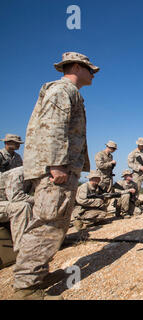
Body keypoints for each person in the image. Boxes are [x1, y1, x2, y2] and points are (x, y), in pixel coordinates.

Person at [15, 52, 98, 299]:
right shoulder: (62, 90)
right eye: (89, 69)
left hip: (62, 168)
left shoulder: (70, 92)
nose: (93, 74)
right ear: (75, 67)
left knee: (56, 223)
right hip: (56, 170)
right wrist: (56, 165)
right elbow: (53, 127)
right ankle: (26, 287)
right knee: (47, 223)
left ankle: (36, 274)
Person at [0, 167, 33, 252]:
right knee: (21, 207)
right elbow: (15, 197)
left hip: (4, 203)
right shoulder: (18, 174)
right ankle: (24, 251)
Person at [95, 140, 117, 213]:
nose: (114, 150)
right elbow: (100, 165)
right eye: (113, 149)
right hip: (101, 178)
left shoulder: (110, 156)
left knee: (108, 195)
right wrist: (110, 163)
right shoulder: (99, 154)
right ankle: (99, 211)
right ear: (109, 147)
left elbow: (109, 167)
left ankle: (104, 211)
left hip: (109, 177)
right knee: (100, 195)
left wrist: (112, 165)